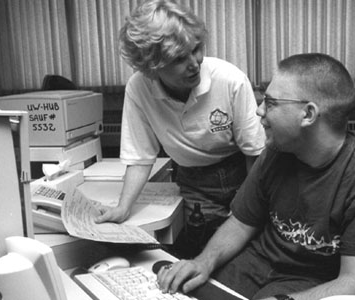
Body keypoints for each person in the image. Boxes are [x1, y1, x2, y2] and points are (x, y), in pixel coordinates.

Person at [156, 53, 355, 300]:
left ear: (308, 114)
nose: (259, 111)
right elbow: (242, 223)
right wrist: (202, 262)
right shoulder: (277, 151)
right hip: (255, 264)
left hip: (312, 282)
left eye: (271, 102)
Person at [95, 0, 266, 246]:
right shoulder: (139, 88)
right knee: (201, 246)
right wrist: (123, 207)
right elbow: (139, 158)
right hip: (193, 180)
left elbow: (255, 154)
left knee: (247, 246)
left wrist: (246, 208)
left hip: (242, 173)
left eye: (196, 48)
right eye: (178, 59)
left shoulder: (230, 80)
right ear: (152, 67)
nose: (194, 63)